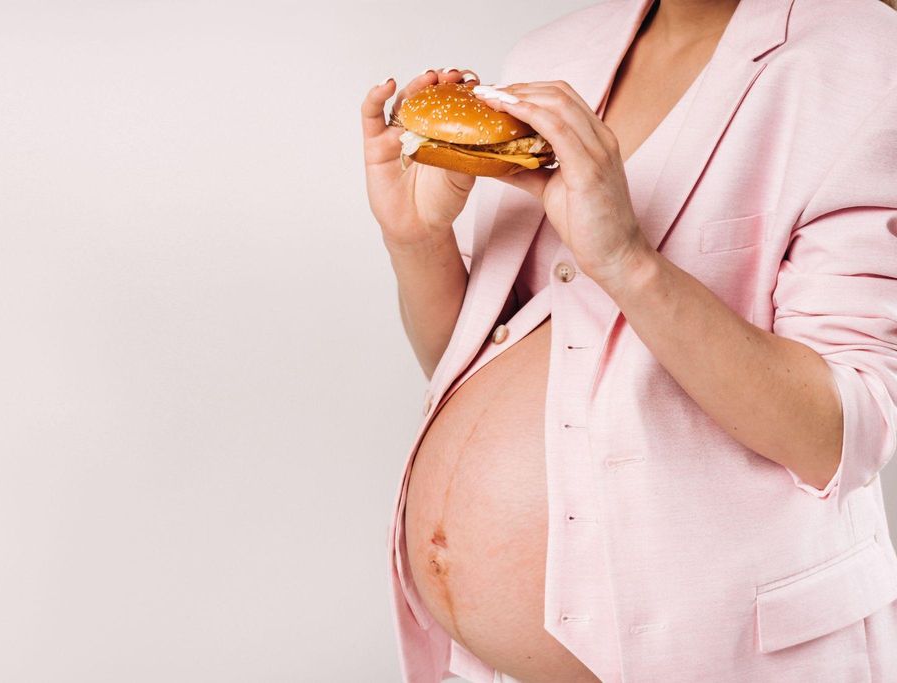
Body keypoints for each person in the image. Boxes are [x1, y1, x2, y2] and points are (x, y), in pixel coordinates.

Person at [362, 0, 897, 681]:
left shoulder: (871, 63)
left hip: (721, 654)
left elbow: (843, 436)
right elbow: (469, 364)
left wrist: (627, 258)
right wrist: (417, 241)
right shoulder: (553, 53)